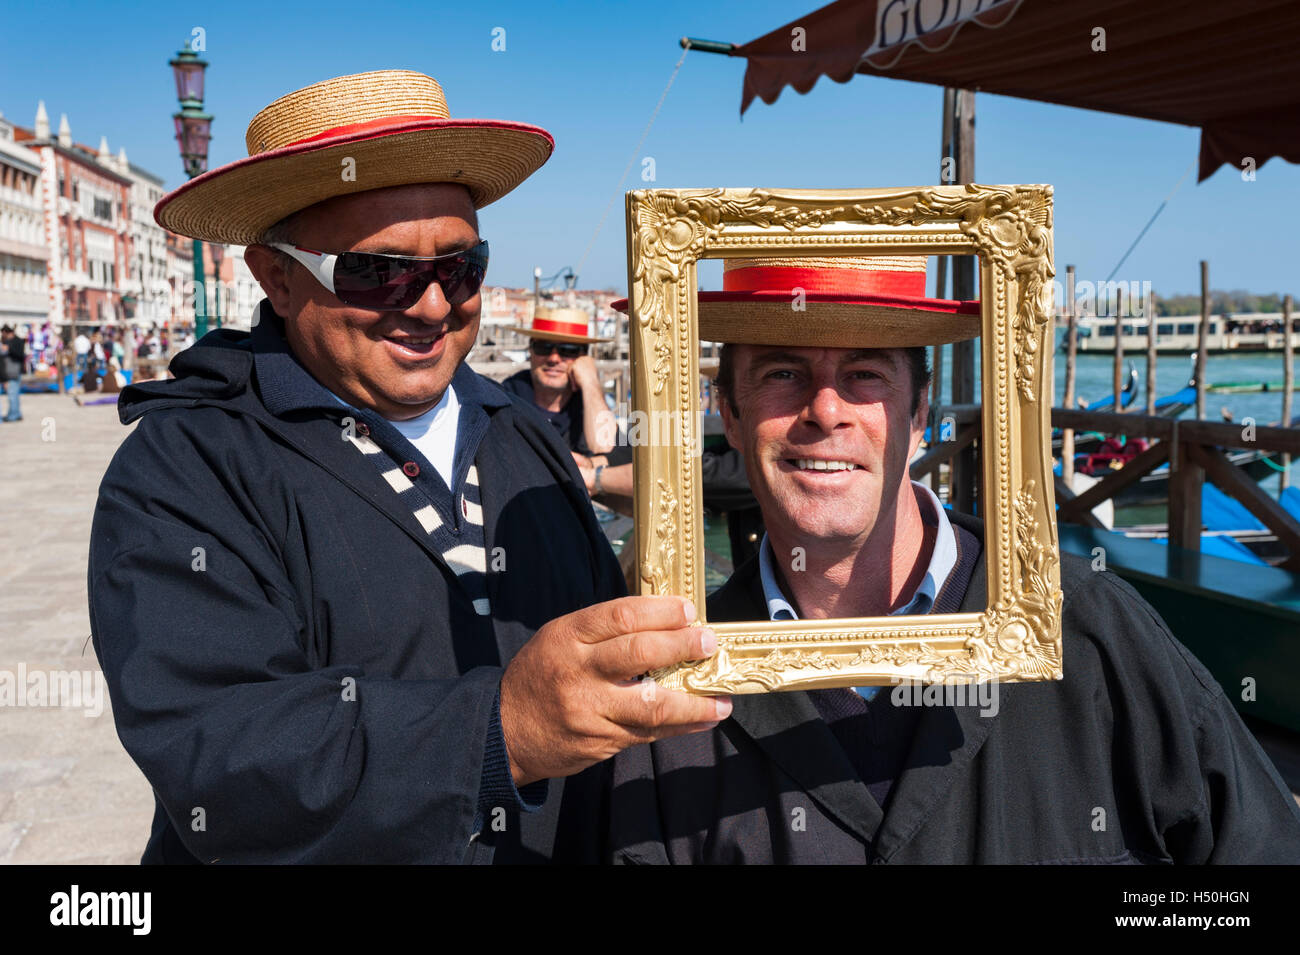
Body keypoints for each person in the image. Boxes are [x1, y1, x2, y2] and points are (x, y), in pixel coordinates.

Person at [88, 69, 726, 865]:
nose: (429, 304)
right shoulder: (183, 469)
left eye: (460, 267)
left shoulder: (521, 432)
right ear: (276, 278)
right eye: (377, 271)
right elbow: (216, 759)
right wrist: (500, 730)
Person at [597, 255, 1300, 864]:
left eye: (865, 372)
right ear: (731, 411)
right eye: (783, 371)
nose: (826, 409)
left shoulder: (1087, 628)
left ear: (921, 409)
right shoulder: (672, 695)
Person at [498, 308, 633, 488]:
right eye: (543, 347)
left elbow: (615, 452)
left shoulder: (586, 403)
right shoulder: (506, 398)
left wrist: (590, 382)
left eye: (567, 350)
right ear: (531, 350)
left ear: (583, 357)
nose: (554, 358)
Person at [1, 325, 24, 421]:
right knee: (14, 395)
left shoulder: (17, 341)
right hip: (11, 371)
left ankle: (13, 415)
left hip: (13, 372)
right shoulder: (7, 341)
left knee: (12, 395)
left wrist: (8, 349)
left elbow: (20, 355)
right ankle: (15, 414)